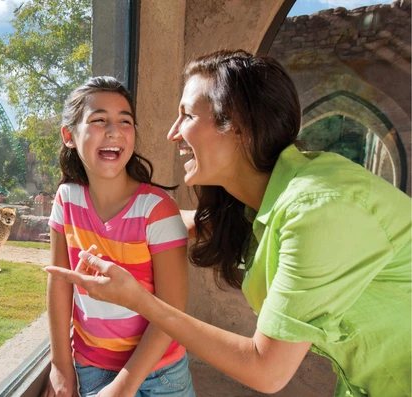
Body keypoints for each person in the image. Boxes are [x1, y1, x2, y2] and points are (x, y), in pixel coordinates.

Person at [45, 50, 411, 396]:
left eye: (187, 115)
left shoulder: (319, 212)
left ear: (238, 126)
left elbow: (267, 371)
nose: (173, 133)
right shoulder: (263, 201)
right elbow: (176, 223)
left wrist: (139, 300)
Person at [42, 76, 195, 397]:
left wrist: (123, 387)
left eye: (125, 121)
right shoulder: (66, 200)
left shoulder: (158, 209)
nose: (114, 131)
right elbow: (60, 282)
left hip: (162, 372)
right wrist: (61, 364)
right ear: (69, 136)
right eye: (99, 120)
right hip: (92, 368)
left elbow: (172, 310)